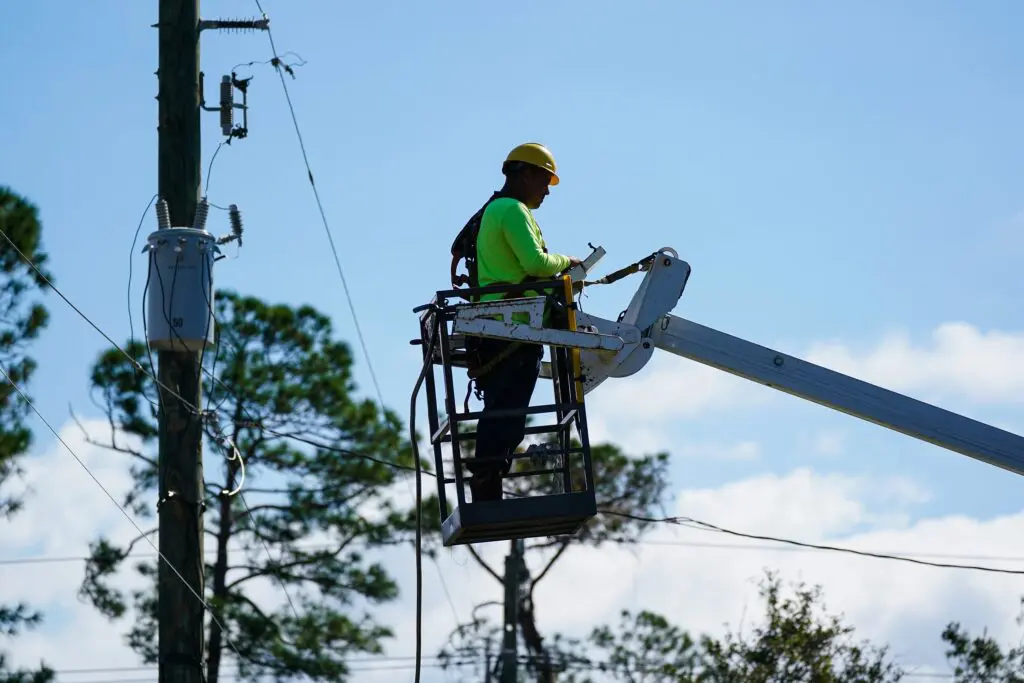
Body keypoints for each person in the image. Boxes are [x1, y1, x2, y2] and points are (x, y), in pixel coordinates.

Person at [455, 142, 580, 502]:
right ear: (525, 174)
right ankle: (486, 479)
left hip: (495, 325)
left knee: (504, 409)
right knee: (508, 410)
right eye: (544, 181)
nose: (546, 190)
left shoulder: (494, 210)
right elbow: (536, 264)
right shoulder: (511, 209)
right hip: (510, 325)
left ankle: (488, 481)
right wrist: (567, 261)